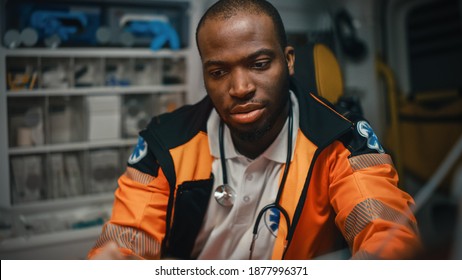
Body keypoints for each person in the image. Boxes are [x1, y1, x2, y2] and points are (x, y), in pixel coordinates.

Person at [87, 0, 421, 260]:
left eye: (259, 65)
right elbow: (125, 243)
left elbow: (386, 233)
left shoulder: (342, 139)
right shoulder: (165, 143)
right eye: (218, 72)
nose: (241, 87)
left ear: (288, 61)